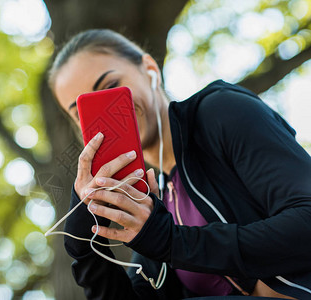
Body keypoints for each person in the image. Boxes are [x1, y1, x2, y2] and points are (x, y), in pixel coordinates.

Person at [47, 29, 311, 299]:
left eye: (112, 86)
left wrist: (173, 242)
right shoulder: (153, 199)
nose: (109, 113)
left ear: (150, 69)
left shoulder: (221, 112)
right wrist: (84, 251)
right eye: (84, 110)